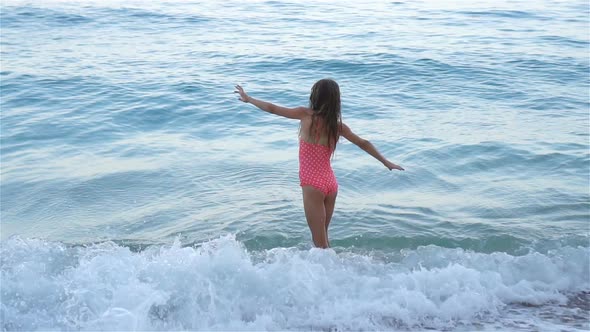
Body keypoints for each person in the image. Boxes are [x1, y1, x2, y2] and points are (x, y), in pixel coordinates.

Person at [234, 79, 404, 248]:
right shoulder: (338, 127)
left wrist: (249, 99)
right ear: (335, 101)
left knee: (319, 244)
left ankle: (333, 273)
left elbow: (272, 109)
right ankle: (332, 271)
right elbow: (363, 143)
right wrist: (386, 162)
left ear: (315, 96)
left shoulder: (305, 115)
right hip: (330, 183)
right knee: (323, 239)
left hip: (312, 183)